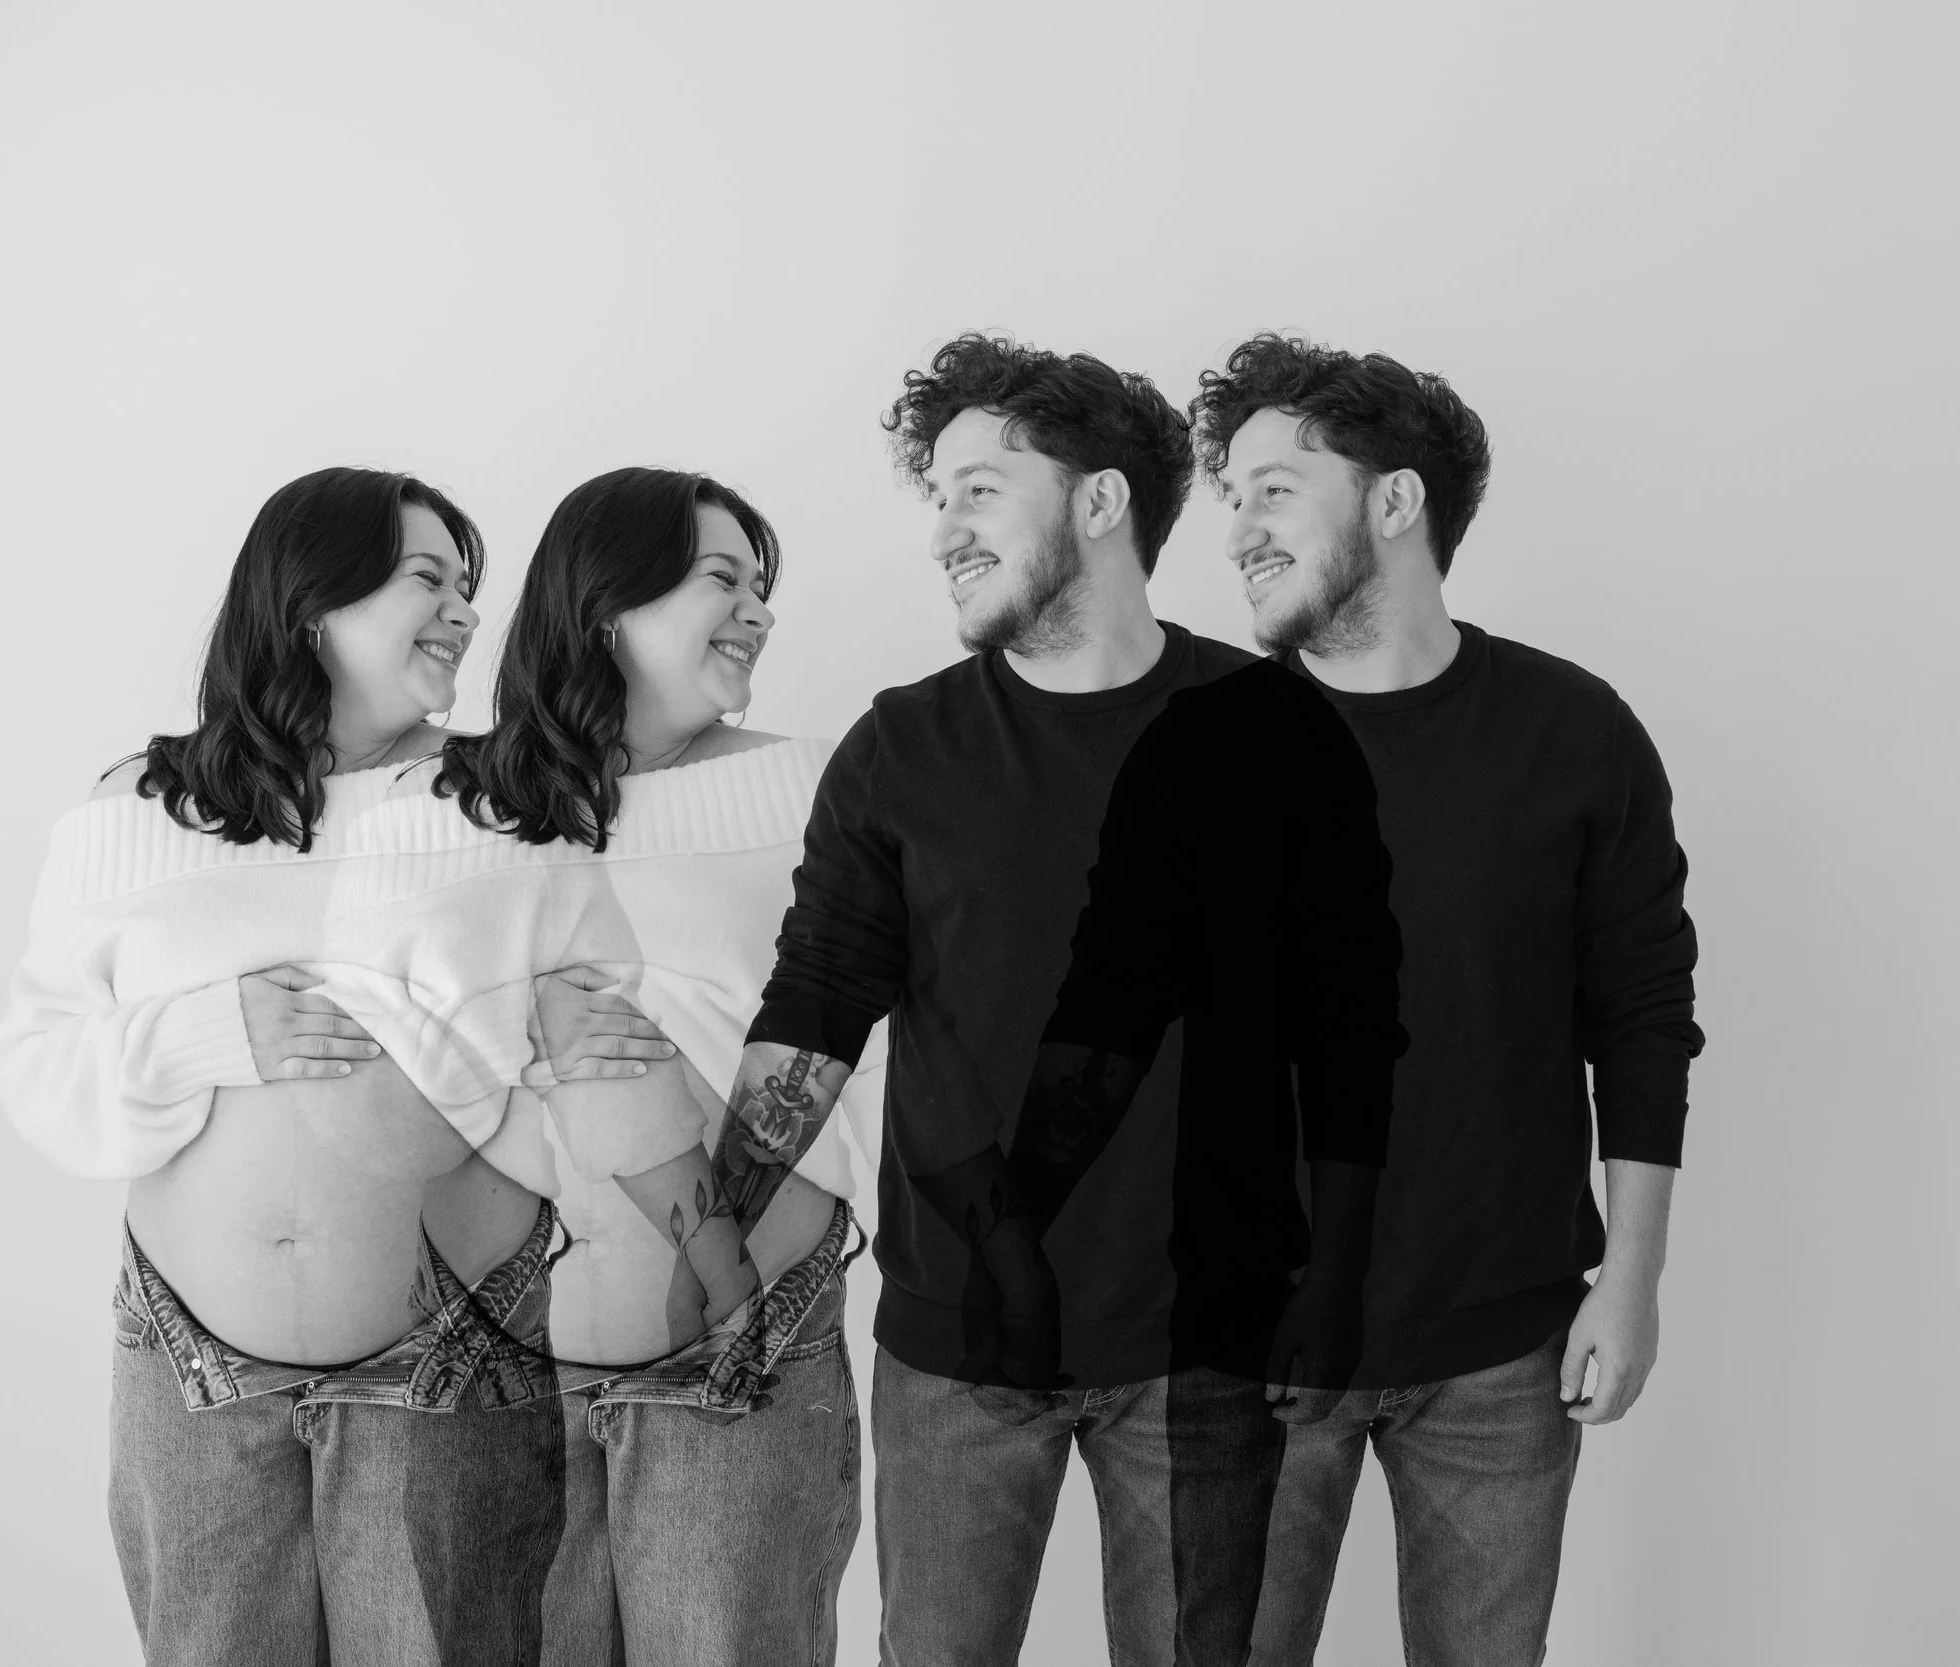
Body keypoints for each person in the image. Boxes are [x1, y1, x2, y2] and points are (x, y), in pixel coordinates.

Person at [695, 333, 1394, 1664]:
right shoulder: (905, 744)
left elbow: (1351, 1030)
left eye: (979, 489)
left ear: (1099, 501)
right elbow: (817, 1004)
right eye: (937, 497)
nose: (945, 529)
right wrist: (709, 1242)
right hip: (960, 1344)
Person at [0, 467, 649, 1666]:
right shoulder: (133, 810)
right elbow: (38, 1065)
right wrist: (206, 1032)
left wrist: (487, 1047)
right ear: (312, 606)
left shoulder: (506, 807)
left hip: (447, 1354)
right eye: (428, 579)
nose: (462, 611)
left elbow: (601, 1065)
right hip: (193, 1369)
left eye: (470, 588)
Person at [1186, 333, 1704, 1666]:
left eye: (1275, 487)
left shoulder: (1572, 730)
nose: (1238, 525)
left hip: (1505, 1342)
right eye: (1229, 493)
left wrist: (1631, 1276)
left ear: (1396, 500)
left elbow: (1642, 1015)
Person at [433, 466, 882, 1666]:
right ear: (606, 608)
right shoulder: (464, 807)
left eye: (762, 586)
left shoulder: (814, 784)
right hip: (505, 1357)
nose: (759, 612)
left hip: (738, 1344)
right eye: (722, 578)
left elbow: (888, 1039)